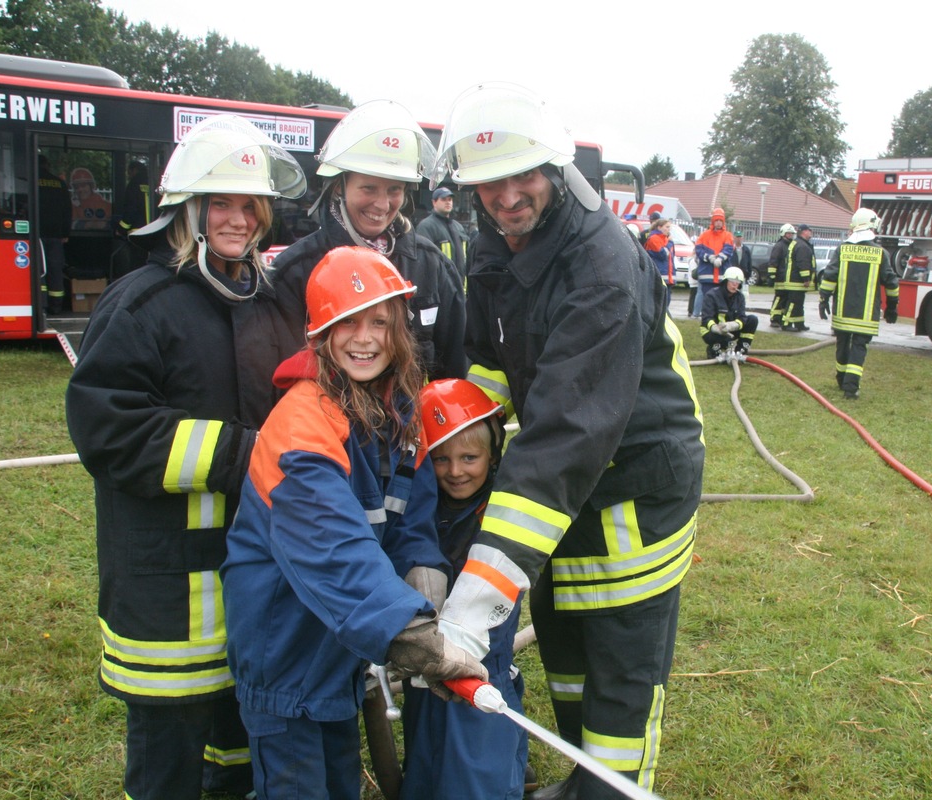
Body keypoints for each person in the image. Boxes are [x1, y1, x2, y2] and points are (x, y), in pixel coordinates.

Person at [430, 82, 705, 800]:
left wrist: (476, 600)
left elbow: (564, 431)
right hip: (572, 485)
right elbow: (496, 363)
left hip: (634, 486)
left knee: (619, 670)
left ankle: (612, 792)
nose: (507, 195)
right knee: (570, 648)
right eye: (488, 182)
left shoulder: (601, 263)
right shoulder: (496, 247)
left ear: (554, 170)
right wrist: (455, 423)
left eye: (522, 175)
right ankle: (587, 784)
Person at [64, 114, 310, 800]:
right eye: (221, 203)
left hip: (251, 568)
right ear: (190, 209)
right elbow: (107, 428)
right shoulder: (142, 303)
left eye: (249, 204)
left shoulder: (267, 301)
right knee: (168, 756)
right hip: (167, 581)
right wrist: (246, 453)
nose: (237, 218)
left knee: (240, 739)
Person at [222, 248, 486, 800]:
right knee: (298, 787)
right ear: (321, 332)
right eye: (347, 322)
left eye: (379, 322)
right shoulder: (302, 423)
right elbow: (331, 548)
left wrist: (423, 568)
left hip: (338, 643)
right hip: (284, 648)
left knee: (340, 780)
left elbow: (409, 506)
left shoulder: (397, 410)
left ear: (399, 331)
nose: (364, 338)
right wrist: (405, 631)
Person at [268, 99, 467, 381]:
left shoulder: (431, 265)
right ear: (339, 186)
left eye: (394, 189)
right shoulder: (294, 273)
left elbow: (454, 371)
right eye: (369, 188)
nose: (383, 204)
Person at [400, 378, 529, 800]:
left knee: (477, 763)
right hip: (426, 659)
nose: (456, 471)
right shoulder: (421, 510)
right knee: (425, 757)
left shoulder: (504, 508)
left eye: (469, 457)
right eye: (441, 459)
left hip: (483, 664)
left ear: (493, 453)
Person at [818, 208, 900, 400]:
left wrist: (823, 298)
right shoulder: (880, 253)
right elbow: (891, 282)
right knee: (859, 348)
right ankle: (851, 387)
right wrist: (892, 306)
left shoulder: (843, 249)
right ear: (871, 226)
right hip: (866, 315)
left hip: (842, 311)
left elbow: (830, 276)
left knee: (842, 343)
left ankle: (841, 379)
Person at [37, 154, 71, 313]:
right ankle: (56, 305)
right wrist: (65, 232)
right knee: (55, 269)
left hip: (36, 233)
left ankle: (41, 305)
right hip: (57, 234)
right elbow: (67, 210)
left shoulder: (30, 180)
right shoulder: (59, 183)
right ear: (47, 165)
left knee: (39, 270)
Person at [700, 266, 757, 360]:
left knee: (752, 319)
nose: (735, 285)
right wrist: (715, 328)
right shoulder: (712, 295)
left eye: (737, 283)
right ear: (726, 281)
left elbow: (742, 317)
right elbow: (706, 318)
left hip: (729, 331)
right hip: (712, 331)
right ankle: (713, 349)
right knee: (727, 342)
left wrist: (732, 325)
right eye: (732, 281)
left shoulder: (740, 297)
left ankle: (741, 350)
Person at [416, 185, 470, 279]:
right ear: (434, 202)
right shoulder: (426, 226)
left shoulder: (458, 227)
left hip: (461, 288)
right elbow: (424, 262)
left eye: (450, 199)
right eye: (444, 199)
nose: (448, 202)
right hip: (441, 288)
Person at [692, 207, 733, 317]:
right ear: (713, 221)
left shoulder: (727, 235)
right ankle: (705, 316)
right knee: (707, 297)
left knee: (720, 298)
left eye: (720, 221)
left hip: (721, 274)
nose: (718, 223)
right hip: (707, 274)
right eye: (716, 220)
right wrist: (709, 257)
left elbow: (728, 250)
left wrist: (720, 258)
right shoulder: (705, 235)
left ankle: (717, 316)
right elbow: (699, 249)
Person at [781, 223, 816, 332]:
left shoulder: (798, 243)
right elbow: (803, 263)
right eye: (809, 230)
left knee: (799, 304)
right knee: (793, 303)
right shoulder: (802, 246)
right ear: (804, 232)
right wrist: (806, 278)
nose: (811, 232)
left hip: (794, 280)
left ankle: (799, 323)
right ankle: (786, 323)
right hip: (796, 281)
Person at [767, 222, 796, 327]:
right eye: (789, 233)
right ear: (783, 233)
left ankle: (780, 318)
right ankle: (774, 318)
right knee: (779, 298)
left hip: (787, 278)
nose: (791, 235)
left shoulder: (791, 246)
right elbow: (773, 262)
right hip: (780, 278)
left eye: (792, 234)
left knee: (785, 299)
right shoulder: (779, 246)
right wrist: (772, 276)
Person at [644, 216, 675, 306]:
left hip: (667, 275)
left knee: (666, 301)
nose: (669, 230)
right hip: (660, 273)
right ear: (659, 227)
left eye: (669, 227)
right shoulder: (654, 238)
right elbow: (663, 254)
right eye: (667, 227)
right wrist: (670, 243)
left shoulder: (665, 239)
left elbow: (671, 259)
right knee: (660, 302)